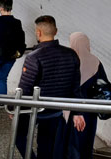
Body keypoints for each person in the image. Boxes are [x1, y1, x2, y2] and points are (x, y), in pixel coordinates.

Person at [15, 15, 85, 159]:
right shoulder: (71, 54)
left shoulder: (34, 57)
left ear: (38, 33)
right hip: (55, 111)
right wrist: (77, 112)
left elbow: (25, 88)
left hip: (34, 110)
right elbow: (75, 87)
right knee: (46, 145)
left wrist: (15, 107)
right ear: (56, 31)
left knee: (19, 136)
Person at [66, 32, 110, 159]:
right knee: (87, 141)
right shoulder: (95, 61)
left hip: (70, 109)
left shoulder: (68, 60)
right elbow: (103, 83)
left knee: (71, 142)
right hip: (90, 109)